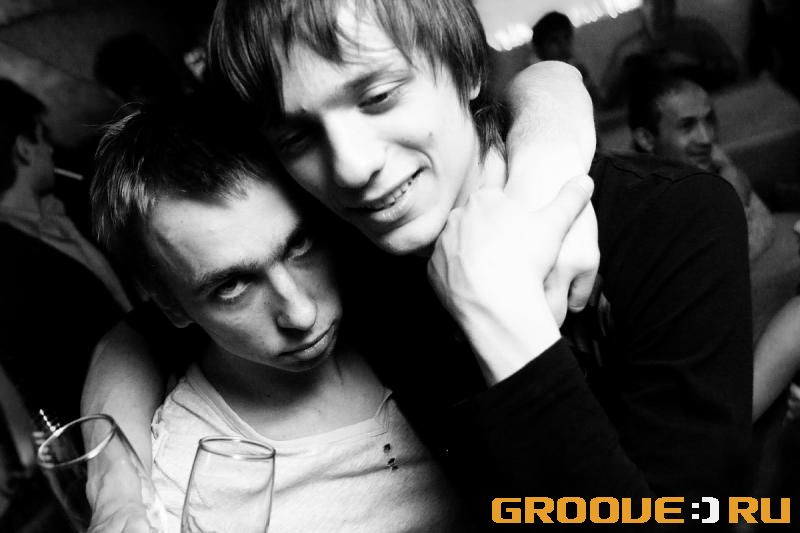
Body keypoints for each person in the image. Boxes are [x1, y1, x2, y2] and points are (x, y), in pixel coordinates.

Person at [84, 0, 752, 529]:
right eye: (299, 134)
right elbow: (142, 330)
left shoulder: (675, 220)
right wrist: (115, 488)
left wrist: (512, 326)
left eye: (378, 96)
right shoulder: (350, 244)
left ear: (465, 70)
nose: (352, 165)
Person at [90, 102, 473, 532]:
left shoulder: (402, 290)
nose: (301, 313)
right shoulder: (183, 493)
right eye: (232, 286)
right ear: (171, 306)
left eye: (300, 244)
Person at [0, 79, 131, 423]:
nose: (50, 150)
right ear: (24, 148)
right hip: (106, 416)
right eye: (43, 137)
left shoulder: (63, 212)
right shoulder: (11, 256)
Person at [629, 76, 775, 262]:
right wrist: (732, 199)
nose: (706, 138)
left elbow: (765, 229)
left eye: (708, 120)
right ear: (646, 139)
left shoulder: (702, 157)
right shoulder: (643, 205)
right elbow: (719, 265)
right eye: (687, 126)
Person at [602, 0, 739, 108]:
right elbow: (605, 99)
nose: (656, 9)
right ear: (641, 8)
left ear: (672, 5)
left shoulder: (696, 32)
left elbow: (732, 70)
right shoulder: (627, 50)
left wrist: (691, 63)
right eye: (649, 3)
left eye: (662, 3)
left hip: (701, 106)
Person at [531, 11, 601, 106]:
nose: (563, 46)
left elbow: (599, 102)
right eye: (554, 40)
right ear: (539, 50)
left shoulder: (578, 70)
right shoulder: (539, 82)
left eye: (566, 37)